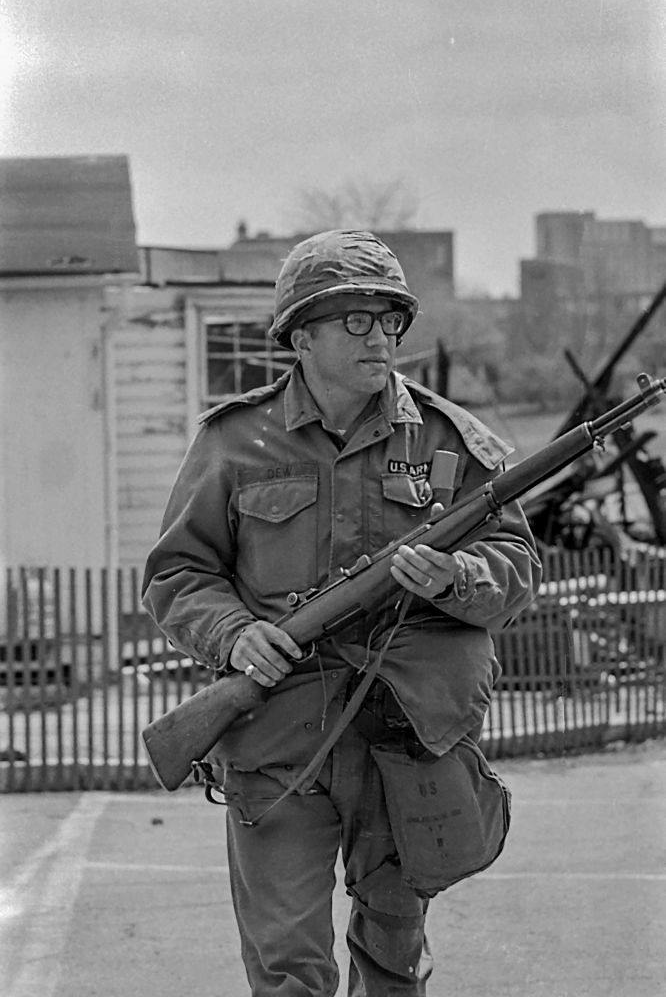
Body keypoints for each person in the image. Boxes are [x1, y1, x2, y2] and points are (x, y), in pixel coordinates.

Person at [142, 229, 542, 996]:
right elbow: (179, 572)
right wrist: (235, 635)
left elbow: (517, 569)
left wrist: (456, 575)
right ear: (302, 335)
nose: (380, 335)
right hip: (280, 736)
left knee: (394, 960)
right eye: (356, 319)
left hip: (408, 737)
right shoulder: (236, 442)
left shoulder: (454, 441)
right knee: (289, 966)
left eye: (390, 319)